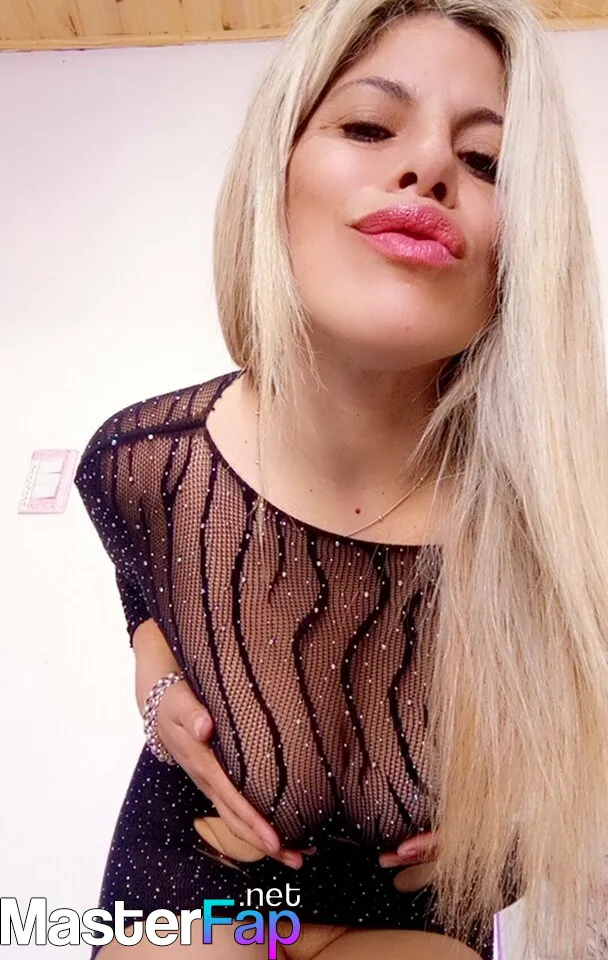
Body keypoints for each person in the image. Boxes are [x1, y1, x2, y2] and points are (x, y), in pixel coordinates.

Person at [73, 0, 608, 957]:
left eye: (487, 161)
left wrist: (519, 811)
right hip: (195, 868)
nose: (430, 168)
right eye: (367, 126)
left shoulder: (569, 515)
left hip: (420, 906)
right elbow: (144, 599)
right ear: (273, 175)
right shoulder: (138, 463)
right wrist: (157, 694)